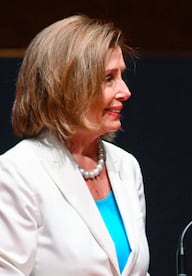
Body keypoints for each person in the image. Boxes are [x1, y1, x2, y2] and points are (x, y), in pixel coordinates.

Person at [0, 15, 150, 276]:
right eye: (108, 78)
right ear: (68, 86)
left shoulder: (126, 166)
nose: (125, 91)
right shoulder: (17, 172)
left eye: (121, 76)